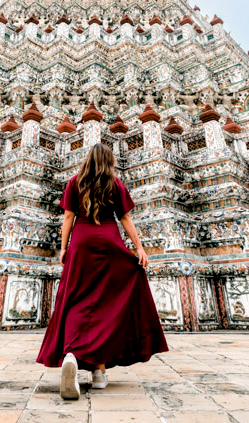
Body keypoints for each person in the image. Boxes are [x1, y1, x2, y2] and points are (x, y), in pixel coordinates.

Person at [37, 143, 168, 399]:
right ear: (109, 161)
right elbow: (126, 218)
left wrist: (64, 249)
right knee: (107, 304)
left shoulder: (75, 182)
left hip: (82, 243)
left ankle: (73, 354)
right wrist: (139, 249)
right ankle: (98, 373)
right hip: (110, 242)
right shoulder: (114, 183)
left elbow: (68, 218)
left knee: (77, 299)